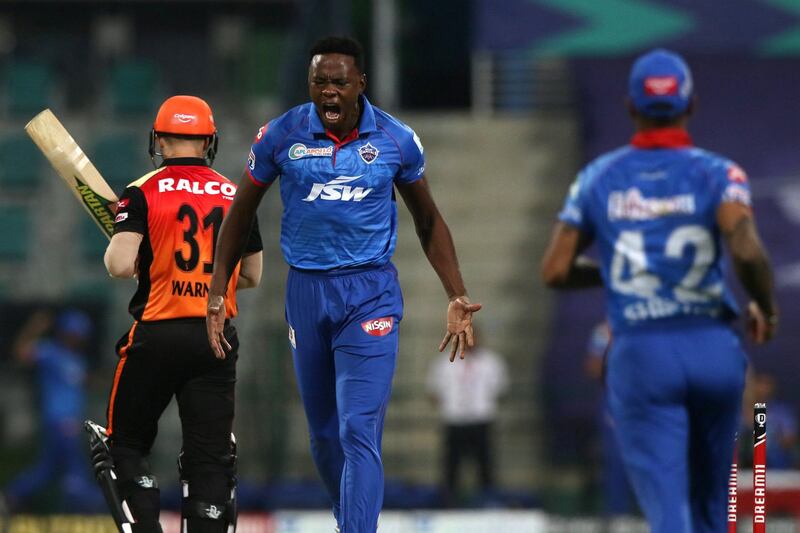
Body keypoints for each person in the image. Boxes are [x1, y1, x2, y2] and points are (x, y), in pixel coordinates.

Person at [205, 36, 481, 533]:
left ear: (361, 84)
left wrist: (455, 293)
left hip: (369, 293)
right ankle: (348, 519)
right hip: (306, 294)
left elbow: (429, 221)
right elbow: (239, 213)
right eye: (319, 82)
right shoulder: (280, 134)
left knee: (358, 429)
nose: (328, 92)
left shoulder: (396, 141)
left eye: (339, 82)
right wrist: (216, 290)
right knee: (324, 438)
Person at [541, 49, 778, 533]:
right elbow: (749, 251)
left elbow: (556, 270)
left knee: (669, 516)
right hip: (714, 349)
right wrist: (766, 308)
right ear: (690, 106)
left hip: (643, 353)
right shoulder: (720, 173)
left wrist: (623, 271)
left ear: (630, 108)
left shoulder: (597, 177)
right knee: (715, 507)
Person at [94, 95, 263, 533]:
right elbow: (252, 275)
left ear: (159, 140)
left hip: (159, 334)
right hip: (215, 339)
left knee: (124, 443)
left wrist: (146, 256)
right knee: (210, 459)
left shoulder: (143, 190)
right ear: (209, 142)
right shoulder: (235, 193)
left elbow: (119, 264)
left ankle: (147, 524)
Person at [2, 309, 102, 513]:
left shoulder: (77, 360)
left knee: (48, 470)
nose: (77, 338)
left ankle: (11, 495)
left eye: (80, 334)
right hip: (59, 421)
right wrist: (34, 328)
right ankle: (89, 510)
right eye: (74, 333)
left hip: (70, 421)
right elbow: (22, 352)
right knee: (75, 471)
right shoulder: (50, 352)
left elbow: (89, 382)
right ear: (64, 332)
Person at [426, 328, 508, 506]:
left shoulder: (491, 362)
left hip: (481, 419)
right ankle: (449, 504)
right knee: (451, 467)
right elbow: (433, 392)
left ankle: (488, 503)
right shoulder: (444, 363)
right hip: (454, 421)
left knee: (485, 465)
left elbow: (500, 390)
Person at [582, 320, 635, 517]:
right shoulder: (605, 331)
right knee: (615, 458)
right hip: (614, 398)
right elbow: (593, 366)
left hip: (647, 398)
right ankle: (618, 513)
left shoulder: (649, 325)